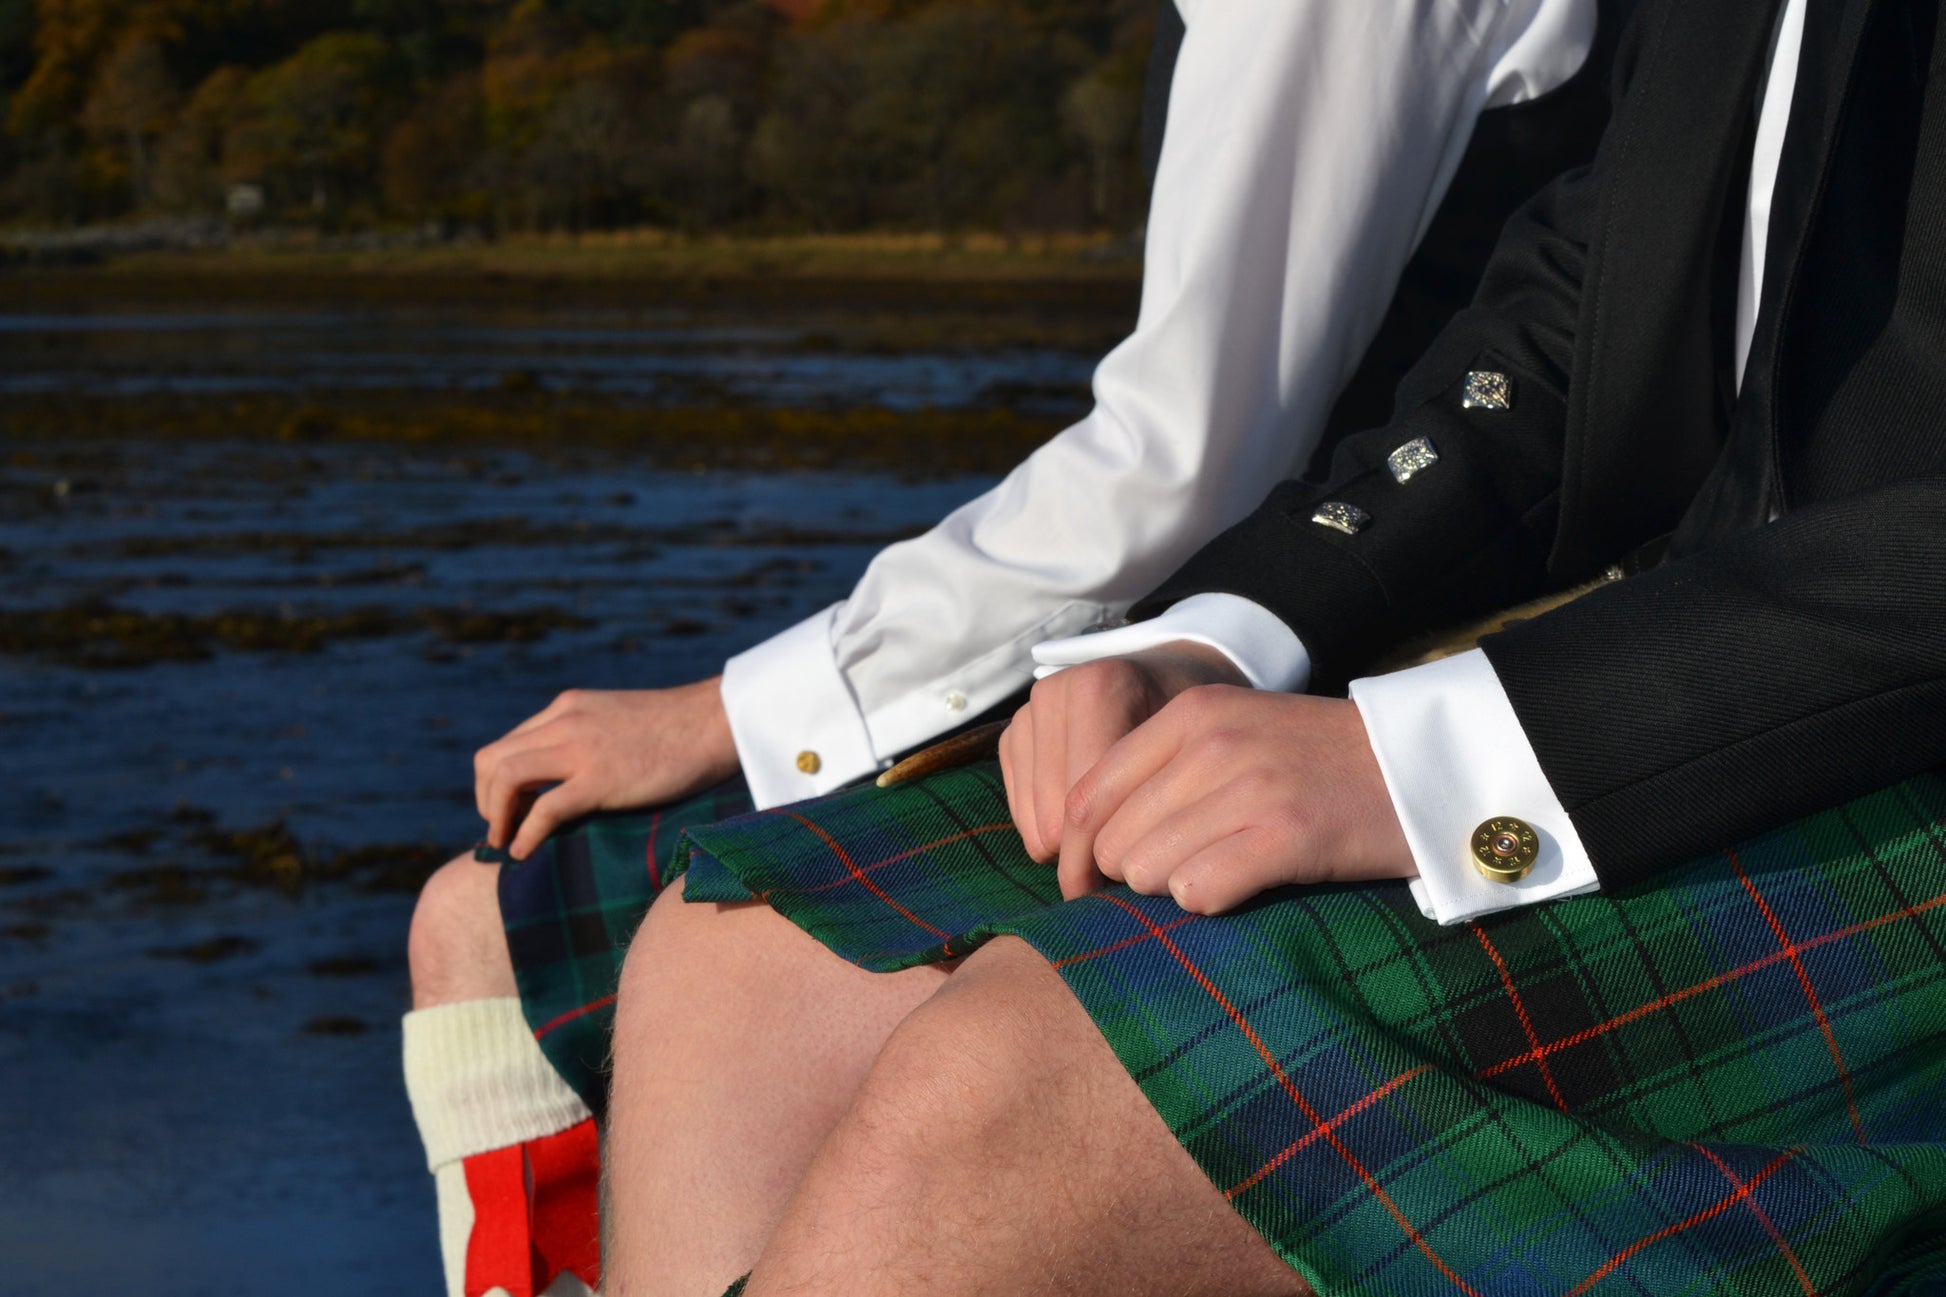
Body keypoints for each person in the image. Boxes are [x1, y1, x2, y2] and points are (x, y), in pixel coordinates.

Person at [595, 0, 1946, 1291]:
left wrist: (1460, 755)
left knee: (1011, 1090)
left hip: (1885, 760)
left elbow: (1178, 450)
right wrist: (1229, 632)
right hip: (1683, 648)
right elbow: (1592, 297)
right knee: (729, 971)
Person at [400, 1, 1619, 1293]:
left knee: (540, 928)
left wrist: (726, 713)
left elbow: (1177, 467)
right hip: (1263, 647)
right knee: (482, 917)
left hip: (1366, 693)